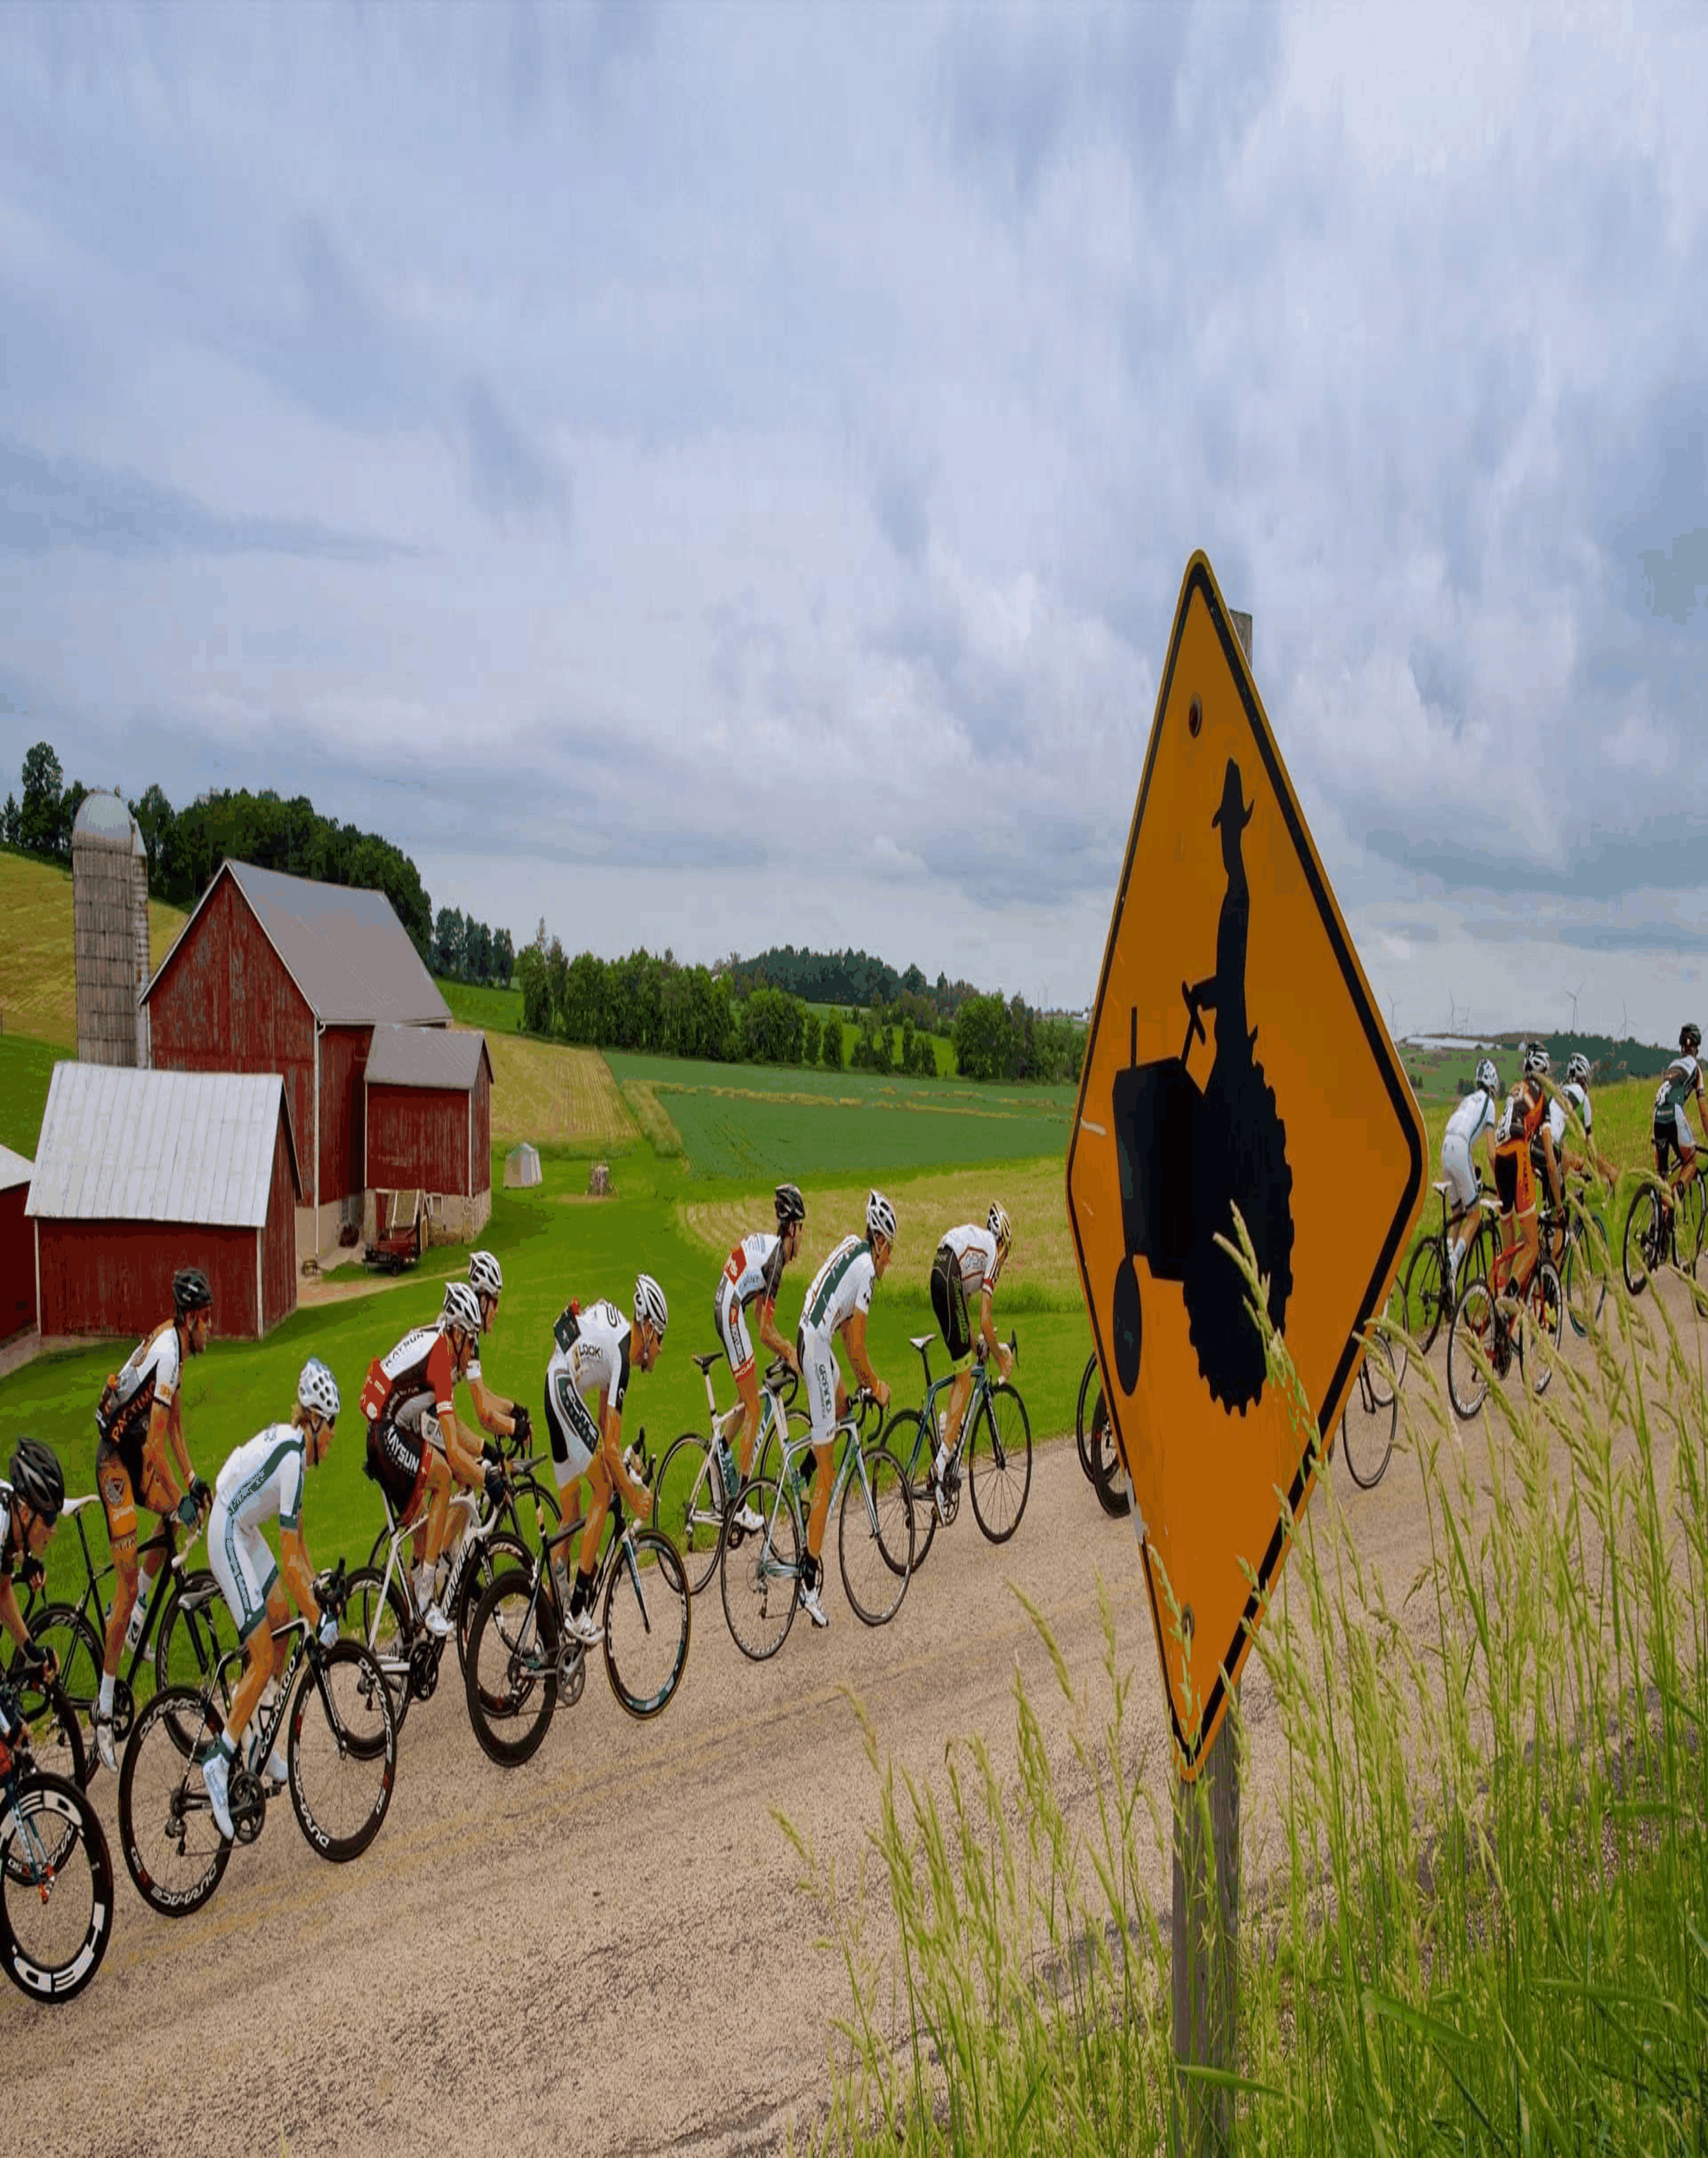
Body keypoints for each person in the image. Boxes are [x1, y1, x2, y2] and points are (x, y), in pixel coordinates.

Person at [201, 1359, 342, 1842]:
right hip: (227, 1532)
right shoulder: (292, 1458)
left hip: (243, 1528)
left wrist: (314, 1587)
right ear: (316, 1421)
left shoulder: (296, 1458)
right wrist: (318, 1616)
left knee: (281, 1615)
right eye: (332, 1429)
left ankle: (257, 1734)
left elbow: (297, 1543)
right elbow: (286, 1560)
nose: (333, 1440)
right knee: (263, 1656)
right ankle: (218, 1761)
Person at [91, 1266, 215, 1772]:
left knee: (171, 1520)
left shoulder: (176, 1350)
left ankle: (142, 1620)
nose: (211, 1327)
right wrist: (179, 1499)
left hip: (136, 1442)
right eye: (206, 1319)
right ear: (188, 1320)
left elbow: (176, 1430)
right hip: (115, 1460)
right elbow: (153, 1450)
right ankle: (102, 1709)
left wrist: (191, 1482)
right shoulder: (167, 1356)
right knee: (124, 1585)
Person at [360, 1281, 500, 1639]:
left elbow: (445, 1428)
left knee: (424, 1531)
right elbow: (451, 1449)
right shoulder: (440, 1357)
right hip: (386, 1432)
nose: (472, 1350)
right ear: (455, 1333)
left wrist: (484, 1452)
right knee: (442, 1476)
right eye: (469, 1340)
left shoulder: (439, 1347)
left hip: (395, 1429)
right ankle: (425, 1601)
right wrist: (488, 1480)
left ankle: (410, 1632)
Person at [541, 1275, 666, 1646]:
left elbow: (602, 1430)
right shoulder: (623, 1357)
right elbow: (606, 1448)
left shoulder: (618, 1350)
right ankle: (578, 1608)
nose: (659, 1351)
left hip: (556, 1385)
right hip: (563, 1389)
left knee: (571, 1511)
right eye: (660, 1339)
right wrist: (632, 1494)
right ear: (647, 1328)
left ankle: (548, 1618)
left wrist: (623, 1463)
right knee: (603, 1490)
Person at [792, 1192, 895, 1629]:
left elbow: (847, 1329)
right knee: (831, 1469)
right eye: (891, 1248)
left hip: (813, 1335)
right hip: (818, 1348)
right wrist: (876, 1385)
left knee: (839, 1405)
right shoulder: (868, 1268)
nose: (890, 1260)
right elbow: (856, 1346)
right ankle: (809, 1579)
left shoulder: (852, 1246)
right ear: (881, 1242)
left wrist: (859, 1379)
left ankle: (799, 1480)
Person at [406, 1251, 530, 1583]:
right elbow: (483, 1414)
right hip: (419, 1416)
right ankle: (441, 1564)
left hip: (432, 1412)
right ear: (482, 1298)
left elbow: (486, 1397)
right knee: (469, 1471)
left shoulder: (468, 1337)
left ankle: (445, 1560)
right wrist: (512, 1428)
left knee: (470, 1473)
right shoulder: (464, 1336)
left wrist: (514, 1409)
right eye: (495, 1301)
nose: (498, 1310)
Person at [713, 1183, 807, 1535]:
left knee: (745, 1396)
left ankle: (720, 1455)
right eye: (802, 1231)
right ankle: (739, 1505)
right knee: (753, 1406)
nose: (802, 1240)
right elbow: (765, 1330)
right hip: (729, 1309)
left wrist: (780, 1344)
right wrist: (789, 1351)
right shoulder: (776, 1261)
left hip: (728, 1304)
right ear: (793, 1228)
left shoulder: (770, 1251)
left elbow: (760, 1317)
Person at [928, 1204, 1015, 1524]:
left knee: (962, 1365)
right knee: (966, 1374)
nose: (1004, 1261)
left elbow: (964, 1314)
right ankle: (941, 1462)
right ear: (1003, 1243)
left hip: (940, 1269)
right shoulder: (992, 1252)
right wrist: (1000, 1355)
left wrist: (981, 1345)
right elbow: (985, 1321)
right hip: (948, 1273)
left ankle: (946, 1427)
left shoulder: (976, 1248)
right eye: (1007, 1253)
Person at [1491, 1044, 1559, 1308]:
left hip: (1500, 1156)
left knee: (1508, 1251)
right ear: (1543, 1071)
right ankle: (1508, 1301)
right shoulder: (1542, 1099)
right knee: (1531, 1246)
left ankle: (1489, 1316)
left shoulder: (1517, 1088)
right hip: (1518, 1154)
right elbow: (1550, 1159)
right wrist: (1559, 1204)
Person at [1, 1439, 65, 1685]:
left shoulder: (11, 1511)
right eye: (49, 1519)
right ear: (27, 1513)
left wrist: (33, 1654)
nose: (54, 1530)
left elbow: (3, 1592)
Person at [1440, 1059, 1501, 1298]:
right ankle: (1454, 1265)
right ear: (1494, 1087)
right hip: (1460, 1148)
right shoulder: (1490, 1104)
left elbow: (1463, 1135)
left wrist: (1471, 1168)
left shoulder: (1468, 1100)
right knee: (1474, 1214)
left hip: (1446, 1147)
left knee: (1458, 1213)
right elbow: (1491, 1152)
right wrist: (1499, 1184)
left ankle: (1446, 1259)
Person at [1652, 1022, 1708, 1225]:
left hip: (1657, 1115)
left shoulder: (1672, 1066)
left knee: (1662, 1177)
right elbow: (1703, 1111)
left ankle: (1656, 1229)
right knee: (1691, 1163)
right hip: (1674, 1115)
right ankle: (1675, 1200)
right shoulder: (1697, 1070)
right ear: (1696, 1048)